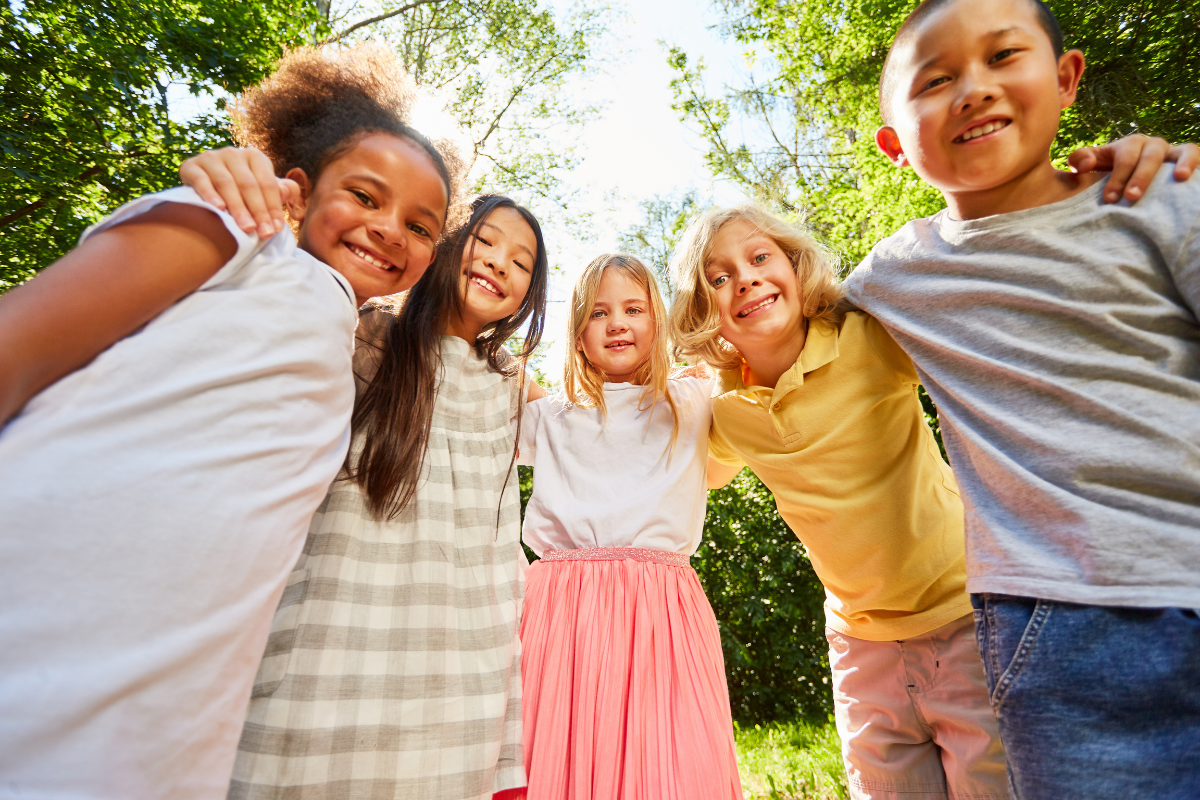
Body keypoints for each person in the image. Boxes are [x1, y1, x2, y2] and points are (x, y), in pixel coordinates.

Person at [0, 43, 464, 799]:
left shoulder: (349, 350)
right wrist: (237, 187)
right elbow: (18, 346)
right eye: (366, 195)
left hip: (165, 712)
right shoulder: (238, 230)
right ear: (298, 189)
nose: (389, 229)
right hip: (32, 603)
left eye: (421, 226)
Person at [842, 0, 1200, 796]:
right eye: (935, 81)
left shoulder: (1162, 197)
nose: (974, 89)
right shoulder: (898, 274)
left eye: (1004, 57)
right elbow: (783, 321)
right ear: (895, 144)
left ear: (1067, 78)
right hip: (1060, 628)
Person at [222, 194, 550, 800]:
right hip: (337, 636)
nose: (500, 262)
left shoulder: (512, 384)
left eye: (522, 262)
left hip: (459, 662)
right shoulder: (365, 337)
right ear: (445, 243)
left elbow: (598, 437)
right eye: (485, 241)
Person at [672, 206, 1005, 800]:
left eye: (759, 257)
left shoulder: (868, 340)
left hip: (964, 613)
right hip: (862, 646)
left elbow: (972, 335)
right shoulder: (729, 411)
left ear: (795, 266)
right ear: (703, 313)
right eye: (717, 278)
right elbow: (702, 475)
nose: (745, 278)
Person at [517, 254, 742, 800]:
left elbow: (732, 441)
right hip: (561, 610)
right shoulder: (549, 416)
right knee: (560, 755)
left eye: (633, 309)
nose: (617, 322)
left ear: (657, 322)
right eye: (598, 313)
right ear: (577, 335)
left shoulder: (692, 402)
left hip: (660, 608)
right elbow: (483, 368)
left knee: (668, 758)